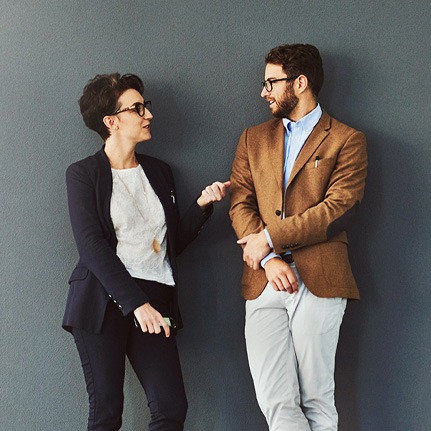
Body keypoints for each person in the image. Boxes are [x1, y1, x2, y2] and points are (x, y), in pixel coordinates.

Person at [62, 73, 230, 431]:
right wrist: (135, 303)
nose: (147, 114)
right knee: (107, 412)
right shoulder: (83, 174)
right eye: (137, 108)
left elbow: (166, 247)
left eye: (145, 106)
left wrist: (200, 206)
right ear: (111, 121)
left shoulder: (159, 172)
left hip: (155, 297)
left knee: (171, 408)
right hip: (103, 299)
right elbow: (91, 245)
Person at [229, 44, 367, 430]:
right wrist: (268, 257)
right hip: (263, 280)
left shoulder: (346, 139)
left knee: (316, 398)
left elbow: (338, 208)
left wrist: (270, 238)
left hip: (319, 278)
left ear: (300, 83)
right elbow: (240, 203)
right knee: (275, 400)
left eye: (271, 82)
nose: (264, 92)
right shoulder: (252, 139)